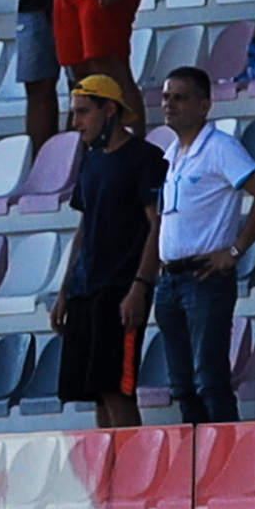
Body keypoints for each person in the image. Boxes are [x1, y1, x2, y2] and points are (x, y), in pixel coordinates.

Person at [143, 59, 255, 424]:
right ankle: (200, 466)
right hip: (171, 278)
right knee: (182, 385)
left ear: (204, 105)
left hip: (203, 276)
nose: (169, 104)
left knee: (210, 381)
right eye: (166, 97)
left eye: (179, 97)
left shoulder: (219, 147)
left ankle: (223, 463)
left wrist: (235, 250)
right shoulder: (171, 154)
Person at [51, 70, 166, 426]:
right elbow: (84, 229)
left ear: (110, 110)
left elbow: (157, 225)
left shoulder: (145, 158)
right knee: (95, 391)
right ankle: (109, 475)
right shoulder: (91, 159)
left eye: (83, 112)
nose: (76, 123)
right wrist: (65, 291)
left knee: (118, 388)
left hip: (121, 289)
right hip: (87, 288)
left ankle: (132, 475)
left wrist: (140, 286)